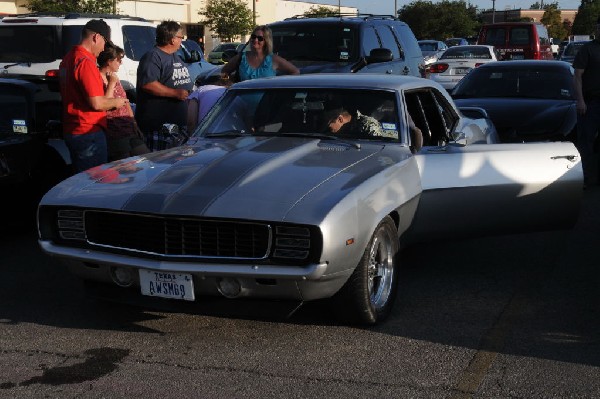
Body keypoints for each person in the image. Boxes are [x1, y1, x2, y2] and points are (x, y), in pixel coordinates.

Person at [59, 19, 128, 172]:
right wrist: (116, 102)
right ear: (96, 37)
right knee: (95, 183)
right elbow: (97, 103)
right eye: (104, 42)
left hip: (73, 129)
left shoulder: (68, 59)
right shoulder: (85, 62)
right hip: (88, 131)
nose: (104, 48)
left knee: (82, 180)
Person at [135, 20, 194, 151]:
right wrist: (175, 93)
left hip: (176, 127)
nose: (181, 41)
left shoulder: (175, 56)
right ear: (172, 39)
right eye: (181, 37)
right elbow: (148, 84)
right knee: (161, 166)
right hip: (159, 127)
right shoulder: (153, 57)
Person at [98, 43, 149, 161]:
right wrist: (111, 83)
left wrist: (134, 124)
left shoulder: (115, 77)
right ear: (109, 61)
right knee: (125, 166)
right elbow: (105, 103)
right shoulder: (99, 78)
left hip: (128, 128)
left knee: (146, 159)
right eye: (118, 60)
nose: (121, 63)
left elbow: (126, 102)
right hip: (115, 131)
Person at [573, 17, 600, 187]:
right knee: (586, 142)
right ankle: (586, 178)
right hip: (591, 104)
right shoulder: (588, 49)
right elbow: (577, 76)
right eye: (598, 28)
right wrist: (580, 100)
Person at [221, 25, 299, 81]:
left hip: (267, 103)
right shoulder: (241, 58)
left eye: (260, 38)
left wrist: (281, 89)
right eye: (253, 37)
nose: (255, 40)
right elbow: (224, 72)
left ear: (266, 41)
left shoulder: (274, 59)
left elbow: (295, 72)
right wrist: (226, 82)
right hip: (242, 102)